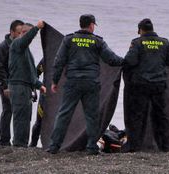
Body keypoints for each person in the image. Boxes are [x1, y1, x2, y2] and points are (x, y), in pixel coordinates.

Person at [48, 14, 124, 155]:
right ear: (91, 25)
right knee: (91, 116)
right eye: (94, 25)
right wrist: (127, 61)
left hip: (72, 82)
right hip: (91, 83)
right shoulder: (97, 41)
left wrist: (55, 81)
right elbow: (111, 59)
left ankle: (54, 146)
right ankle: (91, 147)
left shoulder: (69, 39)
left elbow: (59, 62)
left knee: (64, 114)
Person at [123, 18, 169, 152]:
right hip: (159, 85)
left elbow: (129, 61)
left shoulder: (137, 42)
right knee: (161, 116)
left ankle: (135, 147)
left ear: (140, 30)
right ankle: (166, 146)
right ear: (153, 29)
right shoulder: (164, 42)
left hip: (141, 85)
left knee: (138, 116)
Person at [8, 21, 47, 147]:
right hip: (18, 87)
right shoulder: (17, 44)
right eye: (31, 35)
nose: (33, 38)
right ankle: (19, 144)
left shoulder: (25, 51)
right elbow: (25, 40)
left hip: (25, 87)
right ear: (24, 33)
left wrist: (39, 85)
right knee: (20, 118)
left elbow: (30, 72)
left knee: (26, 118)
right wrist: (37, 28)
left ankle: (22, 144)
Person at [0, 20, 24, 146]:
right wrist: (5, 86)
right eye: (18, 33)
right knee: (8, 110)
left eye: (22, 33)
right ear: (11, 32)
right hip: (5, 84)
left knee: (19, 111)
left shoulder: (20, 46)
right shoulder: (2, 47)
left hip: (17, 84)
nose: (21, 35)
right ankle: (4, 141)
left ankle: (18, 140)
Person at [29, 58, 45, 147]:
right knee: (39, 121)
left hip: (61, 96)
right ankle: (33, 144)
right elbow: (35, 73)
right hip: (45, 96)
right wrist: (34, 90)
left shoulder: (67, 56)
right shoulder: (46, 59)